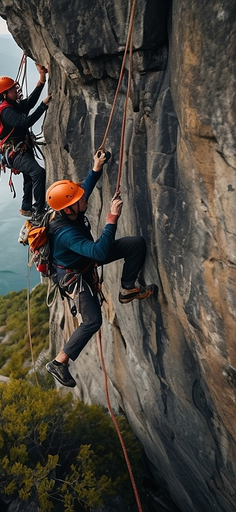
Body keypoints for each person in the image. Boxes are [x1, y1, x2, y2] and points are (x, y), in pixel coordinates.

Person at [44, 151, 157, 388]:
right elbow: (100, 253)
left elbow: (81, 191)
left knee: (135, 244)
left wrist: (96, 168)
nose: (84, 199)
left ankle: (127, 289)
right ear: (68, 210)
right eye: (78, 201)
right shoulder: (66, 233)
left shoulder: (70, 210)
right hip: (74, 276)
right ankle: (59, 362)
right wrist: (112, 218)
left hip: (83, 262)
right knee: (92, 321)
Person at [0, 63, 52, 218]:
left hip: (20, 149)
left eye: (14, 89)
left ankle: (26, 207)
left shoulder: (12, 105)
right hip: (15, 152)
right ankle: (39, 209)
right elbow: (26, 122)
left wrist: (41, 80)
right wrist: (43, 106)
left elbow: (29, 103)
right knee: (38, 173)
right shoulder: (6, 112)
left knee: (29, 177)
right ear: (4, 94)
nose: (16, 92)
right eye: (12, 90)